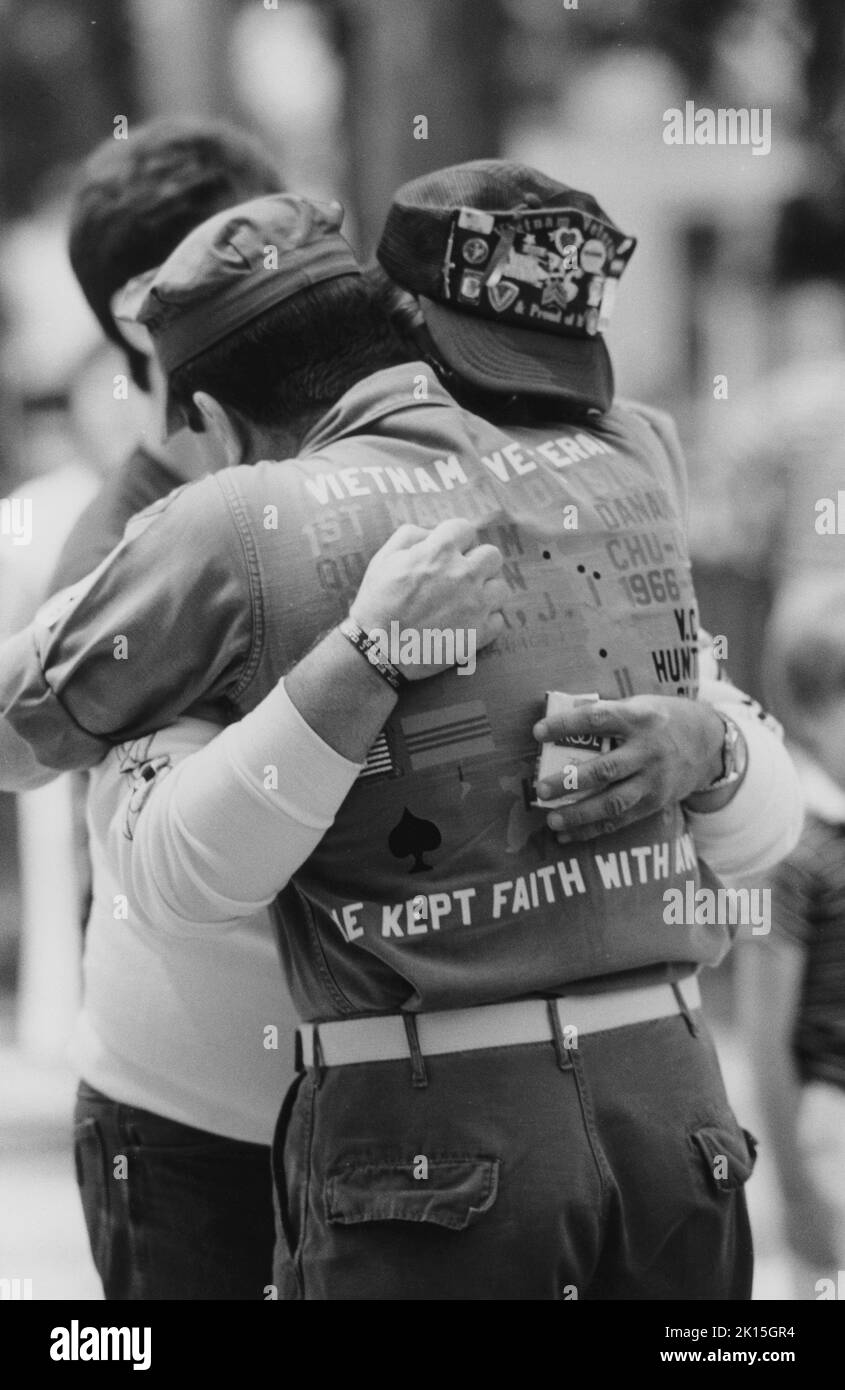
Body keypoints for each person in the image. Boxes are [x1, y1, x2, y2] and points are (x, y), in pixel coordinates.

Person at [0, 168, 803, 1299]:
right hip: (671, 1120)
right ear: (399, 332)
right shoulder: (631, 453)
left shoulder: (224, 522)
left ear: (216, 418)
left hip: (425, 1146)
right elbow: (756, 821)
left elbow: (23, 736)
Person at [8, 117, 294, 1301]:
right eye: (246, 266)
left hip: (346, 1099)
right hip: (184, 1124)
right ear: (146, 311)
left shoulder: (299, 471)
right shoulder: (116, 550)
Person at [746, 577, 845, 1300]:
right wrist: (792, 1192)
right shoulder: (790, 850)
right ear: (811, 717)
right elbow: (761, 1036)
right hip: (828, 1128)